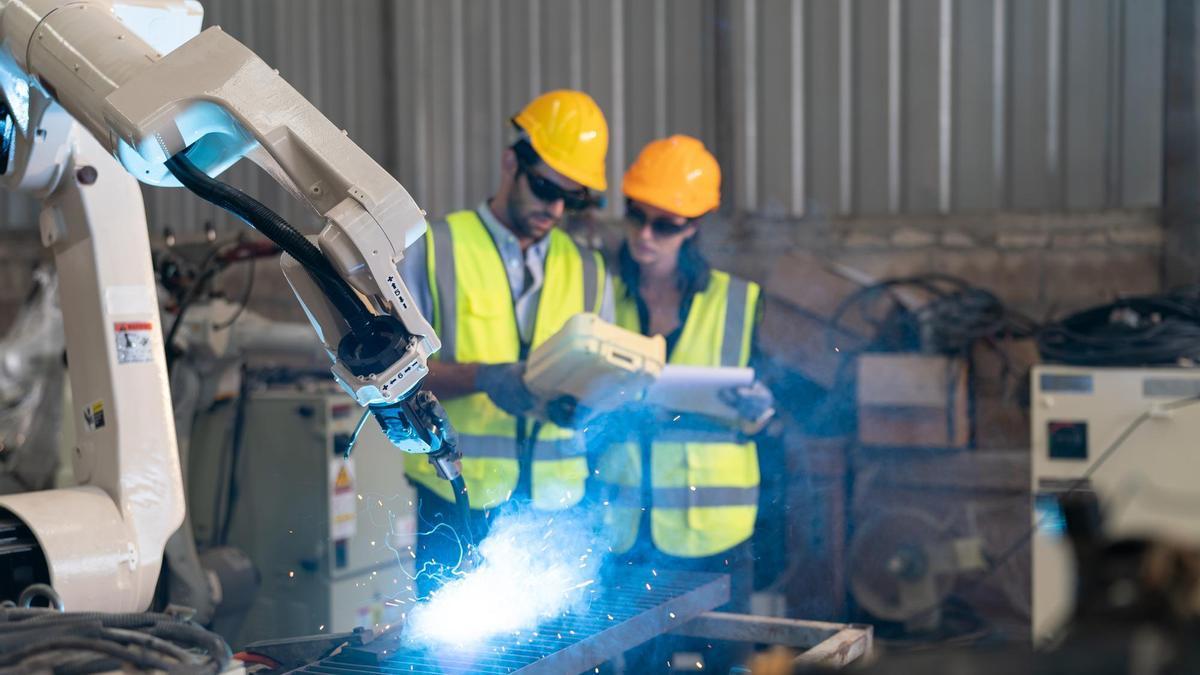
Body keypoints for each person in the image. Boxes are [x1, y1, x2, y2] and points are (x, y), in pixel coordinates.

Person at [397, 90, 615, 597]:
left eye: (572, 197)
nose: (555, 208)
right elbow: (395, 378)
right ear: (509, 163)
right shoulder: (435, 248)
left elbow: (605, 379)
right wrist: (483, 379)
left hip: (559, 509)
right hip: (456, 500)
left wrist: (589, 406)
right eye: (544, 187)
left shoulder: (589, 269)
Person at [593, 134, 774, 673]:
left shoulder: (738, 302)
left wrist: (763, 410)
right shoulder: (599, 293)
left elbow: (774, 405)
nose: (645, 236)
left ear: (695, 225)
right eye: (636, 217)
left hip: (715, 537)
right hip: (627, 531)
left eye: (665, 224)